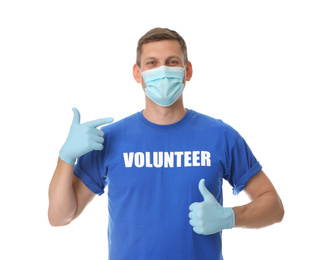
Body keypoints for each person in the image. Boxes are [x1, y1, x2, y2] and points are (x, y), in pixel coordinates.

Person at [48, 27, 284, 260]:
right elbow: (60, 217)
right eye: (152, 63)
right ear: (137, 73)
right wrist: (65, 157)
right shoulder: (109, 139)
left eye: (172, 62)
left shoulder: (220, 136)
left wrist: (230, 217)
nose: (162, 70)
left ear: (187, 70)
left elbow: (273, 206)